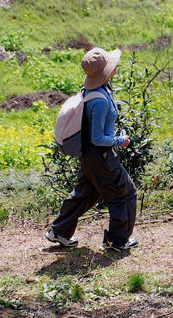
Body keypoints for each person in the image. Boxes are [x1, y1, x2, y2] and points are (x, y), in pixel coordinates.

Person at [46, 46, 138, 252]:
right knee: (124, 193)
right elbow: (97, 138)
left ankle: (59, 231)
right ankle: (117, 240)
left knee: (86, 193)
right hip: (100, 156)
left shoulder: (93, 91)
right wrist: (119, 141)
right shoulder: (98, 101)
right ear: (107, 71)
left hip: (90, 156)